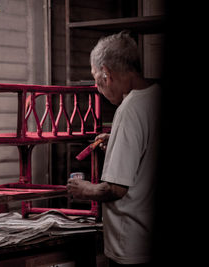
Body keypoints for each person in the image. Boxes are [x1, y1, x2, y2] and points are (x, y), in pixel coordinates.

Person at [67, 31, 160, 266]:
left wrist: (85, 189)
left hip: (131, 246)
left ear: (106, 74)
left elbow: (115, 189)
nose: (98, 87)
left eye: (96, 78)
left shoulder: (129, 109)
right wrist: (118, 139)